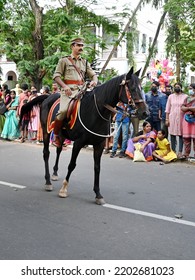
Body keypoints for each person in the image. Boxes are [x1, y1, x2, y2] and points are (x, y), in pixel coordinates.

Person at [52, 37, 98, 147]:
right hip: (69, 91)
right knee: (62, 111)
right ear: (72, 46)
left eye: (82, 45)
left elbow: (93, 75)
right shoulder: (64, 60)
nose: (81, 47)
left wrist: (94, 81)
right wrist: (64, 86)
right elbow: (56, 76)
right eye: (78, 45)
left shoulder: (84, 62)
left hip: (82, 90)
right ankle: (56, 135)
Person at [165, 82, 187, 159]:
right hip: (172, 118)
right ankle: (173, 151)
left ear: (181, 88)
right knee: (172, 135)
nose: (177, 88)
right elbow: (167, 109)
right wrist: (167, 119)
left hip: (182, 118)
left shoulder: (185, 97)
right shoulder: (171, 96)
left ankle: (180, 152)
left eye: (178, 87)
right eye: (175, 87)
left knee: (181, 135)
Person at [181, 83, 195, 158]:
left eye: (191, 88)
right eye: (189, 88)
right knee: (186, 137)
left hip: (194, 120)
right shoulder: (187, 98)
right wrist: (190, 108)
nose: (190, 90)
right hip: (186, 120)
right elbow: (182, 108)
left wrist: (187, 108)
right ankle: (186, 153)